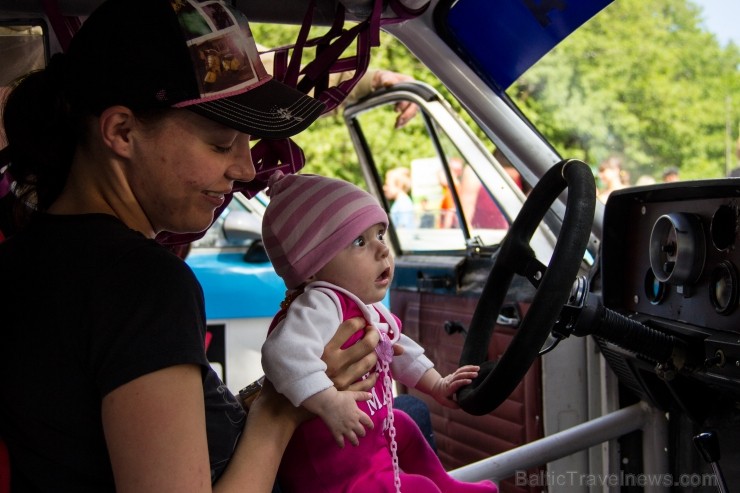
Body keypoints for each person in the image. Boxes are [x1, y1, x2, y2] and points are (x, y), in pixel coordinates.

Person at [0, 0, 383, 491]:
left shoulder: (20, 257)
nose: (246, 168)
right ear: (121, 131)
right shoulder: (143, 285)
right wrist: (281, 409)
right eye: (222, 144)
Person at [260, 172, 498, 493]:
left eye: (381, 235)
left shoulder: (361, 307)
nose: (382, 250)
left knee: (406, 427)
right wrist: (328, 401)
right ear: (312, 266)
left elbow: (398, 349)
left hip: (360, 437)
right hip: (333, 468)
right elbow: (282, 354)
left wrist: (437, 385)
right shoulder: (320, 304)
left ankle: (445, 484)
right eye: (360, 242)